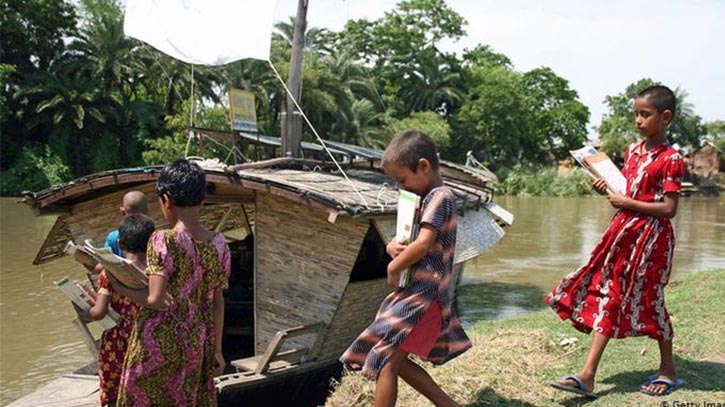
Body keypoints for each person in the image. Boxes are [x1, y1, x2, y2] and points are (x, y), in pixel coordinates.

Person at [547, 85, 685, 398]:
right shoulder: (633, 152)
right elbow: (629, 191)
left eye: (645, 114)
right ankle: (588, 375)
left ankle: (668, 370)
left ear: (665, 117)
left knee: (650, 299)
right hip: (623, 234)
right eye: (636, 113)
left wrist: (626, 202)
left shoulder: (672, 158)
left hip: (651, 241)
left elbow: (669, 208)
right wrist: (609, 191)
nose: (638, 120)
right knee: (611, 292)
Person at [340, 130, 470, 407]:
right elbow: (414, 243)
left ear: (423, 166)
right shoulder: (428, 198)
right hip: (418, 293)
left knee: (386, 359)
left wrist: (392, 267)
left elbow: (423, 244)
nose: (402, 187)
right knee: (393, 358)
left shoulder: (440, 197)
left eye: (402, 180)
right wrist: (393, 249)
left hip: (426, 296)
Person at [112, 159, 230, 407]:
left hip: (158, 342)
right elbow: (217, 302)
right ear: (202, 200)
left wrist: (120, 286)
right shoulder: (219, 244)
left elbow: (155, 299)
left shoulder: (162, 240)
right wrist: (217, 350)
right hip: (198, 341)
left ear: (166, 200)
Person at [81, 214, 155, 407]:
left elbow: (99, 312)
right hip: (151, 339)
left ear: (120, 244)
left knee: (117, 395)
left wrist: (86, 312)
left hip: (119, 344)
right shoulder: (158, 272)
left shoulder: (110, 273)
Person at [103, 191, 149, 256]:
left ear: (122, 212)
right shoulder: (156, 238)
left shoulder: (113, 238)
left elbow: (103, 263)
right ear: (147, 212)